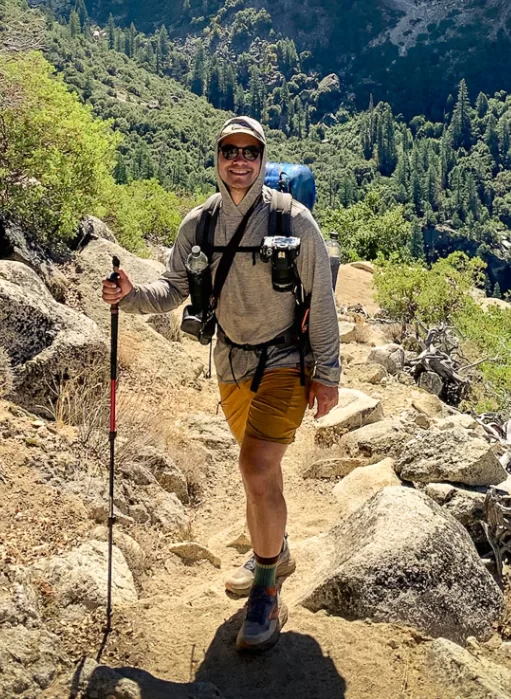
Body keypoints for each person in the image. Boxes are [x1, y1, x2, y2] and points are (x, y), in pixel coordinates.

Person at [102, 116, 341, 653]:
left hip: (284, 360)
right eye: (230, 151)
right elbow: (172, 289)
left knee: (255, 465)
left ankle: (265, 591)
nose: (240, 160)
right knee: (264, 473)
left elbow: (321, 302)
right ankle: (274, 551)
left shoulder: (294, 223)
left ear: (262, 160)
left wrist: (328, 375)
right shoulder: (199, 226)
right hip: (230, 362)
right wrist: (128, 294)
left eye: (249, 152)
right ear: (217, 158)